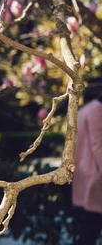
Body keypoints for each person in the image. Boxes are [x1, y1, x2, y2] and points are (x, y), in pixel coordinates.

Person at [73, 92, 102, 245]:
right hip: (95, 178)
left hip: (83, 176)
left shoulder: (83, 111)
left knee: (86, 230)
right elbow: (98, 146)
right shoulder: (97, 110)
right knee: (91, 230)